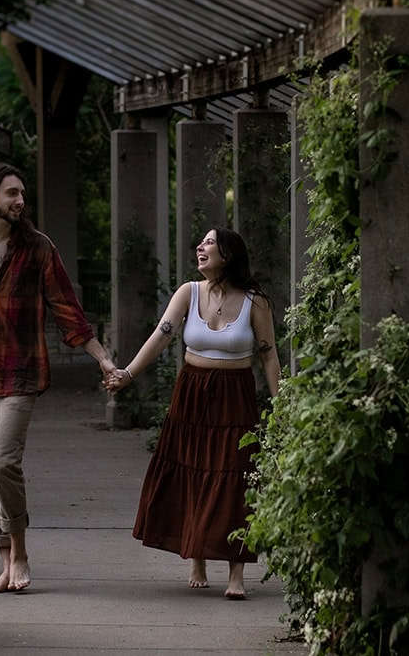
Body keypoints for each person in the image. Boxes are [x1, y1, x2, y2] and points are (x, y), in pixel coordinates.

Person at [0, 162, 117, 594]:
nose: (20, 201)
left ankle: (20, 551)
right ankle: (4, 562)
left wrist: (103, 360)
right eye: (12, 193)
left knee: (1, 463)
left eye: (23, 194)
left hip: (21, 371)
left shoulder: (37, 248)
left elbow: (68, 309)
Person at [106, 226, 280, 599]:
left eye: (209, 243)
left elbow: (268, 355)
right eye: (201, 242)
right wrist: (127, 374)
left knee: (237, 479)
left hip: (235, 398)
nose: (200, 247)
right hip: (191, 395)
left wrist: (281, 405)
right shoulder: (189, 292)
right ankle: (196, 555)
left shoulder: (255, 301)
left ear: (228, 255)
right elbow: (161, 335)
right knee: (191, 472)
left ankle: (237, 572)